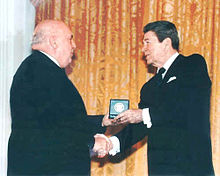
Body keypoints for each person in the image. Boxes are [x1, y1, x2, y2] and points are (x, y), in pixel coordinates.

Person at [102, 20, 215, 176]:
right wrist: (111, 143)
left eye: (148, 42)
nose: (143, 49)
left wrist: (142, 114)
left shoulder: (192, 64)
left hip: (191, 168)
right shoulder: (148, 87)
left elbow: (184, 106)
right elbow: (141, 126)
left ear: (166, 43)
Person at [8, 20, 110, 176]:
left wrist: (102, 121)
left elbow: (61, 119)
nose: (74, 45)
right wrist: (92, 142)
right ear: (53, 42)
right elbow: (54, 127)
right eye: (70, 38)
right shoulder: (40, 71)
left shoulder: (40, 68)